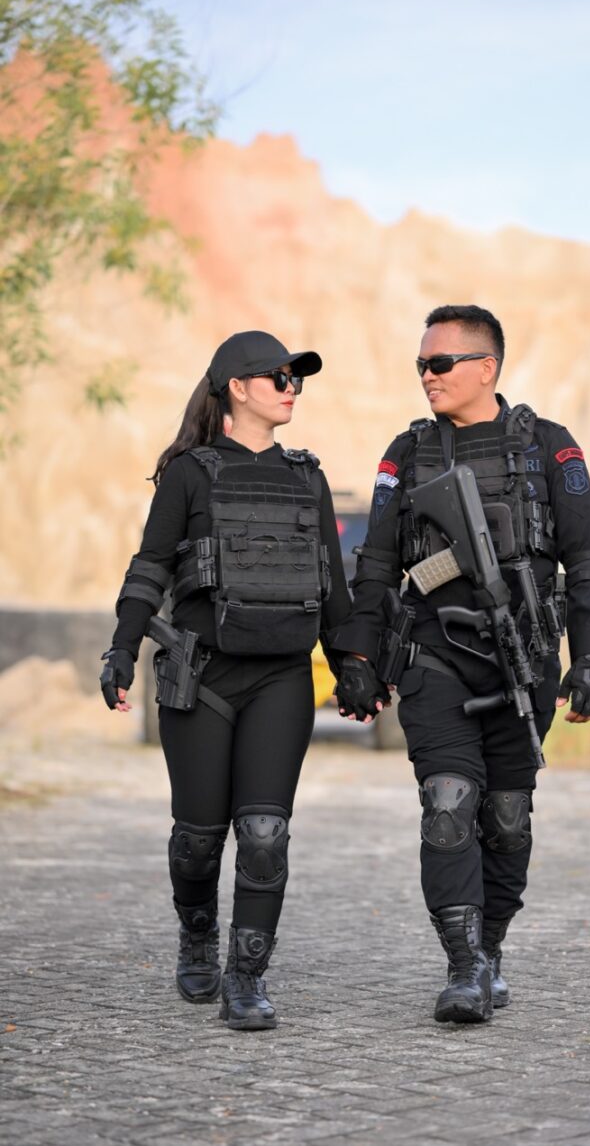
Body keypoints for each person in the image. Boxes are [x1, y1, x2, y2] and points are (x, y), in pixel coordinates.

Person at [333, 305, 590, 1024]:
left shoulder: (549, 447)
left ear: (486, 368)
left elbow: (586, 558)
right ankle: (462, 967)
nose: (426, 376)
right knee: (448, 805)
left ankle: (490, 949)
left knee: (508, 818)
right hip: (435, 658)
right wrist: (359, 655)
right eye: (420, 365)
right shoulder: (407, 452)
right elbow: (376, 564)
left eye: (439, 363)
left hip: (524, 659)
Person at [100, 330, 349, 1031]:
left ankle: (247, 978)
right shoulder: (189, 473)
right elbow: (149, 567)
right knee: (198, 840)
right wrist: (121, 649)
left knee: (265, 834)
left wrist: (355, 667)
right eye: (278, 377)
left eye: (296, 378)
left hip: (282, 679)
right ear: (237, 388)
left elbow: (333, 586)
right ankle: (198, 933)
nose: (291, 388)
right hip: (202, 677)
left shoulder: (308, 476)